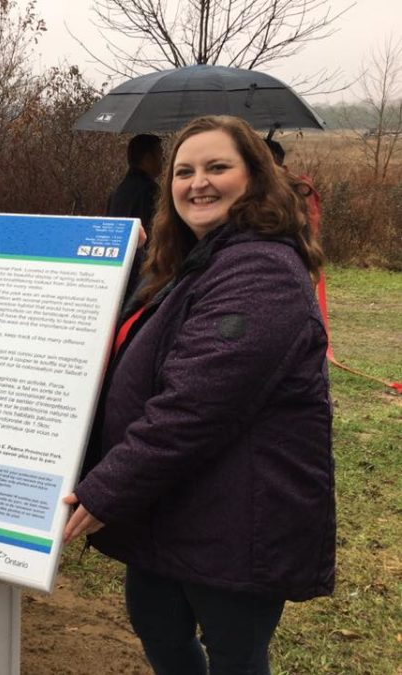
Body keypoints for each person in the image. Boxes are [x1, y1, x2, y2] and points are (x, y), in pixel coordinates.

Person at [64, 115, 334, 675]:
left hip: (238, 522)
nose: (197, 183)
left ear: (256, 177)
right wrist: (111, 255)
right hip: (171, 507)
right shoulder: (193, 261)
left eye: (217, 167)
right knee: (159, 630)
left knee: (234, 657)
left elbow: (194, 407)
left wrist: (105, 490)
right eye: (183, 172)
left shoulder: (261, 269)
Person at [107, 133, 163, 299]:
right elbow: (154, 236)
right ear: (147, 158)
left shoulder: (118, 191)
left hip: (116, 269)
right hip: (141, 275)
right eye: (160, 154)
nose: (163, 160)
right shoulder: (150, 191)